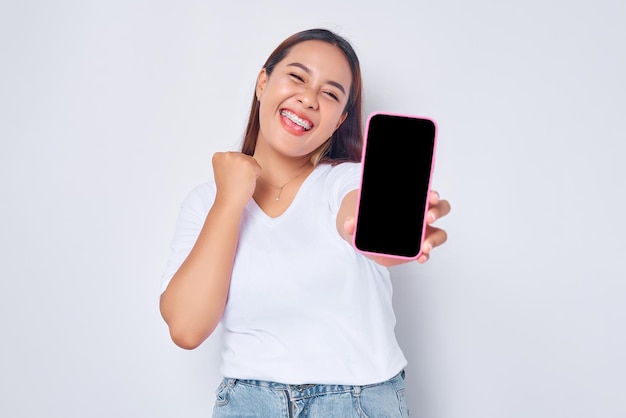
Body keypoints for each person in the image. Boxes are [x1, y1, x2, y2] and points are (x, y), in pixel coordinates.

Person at [160, 28, 451, 417]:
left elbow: (358, 218)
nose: (309, 98)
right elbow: (186, 328)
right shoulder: (204, 204)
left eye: (330, 94)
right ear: (263, 83)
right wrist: (229, 200)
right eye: (297, 77)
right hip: (248, 403)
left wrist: (390, 235)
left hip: (356, 404)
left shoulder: (345, 181)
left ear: (339, 120)